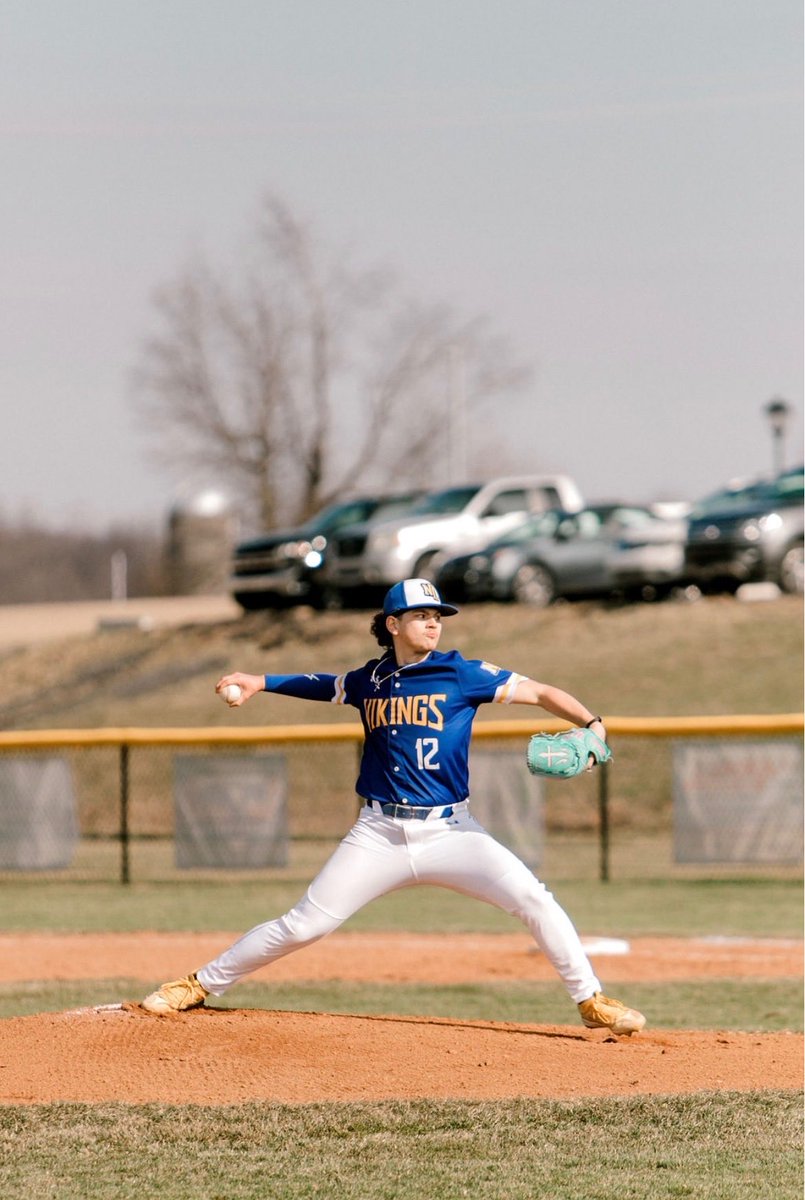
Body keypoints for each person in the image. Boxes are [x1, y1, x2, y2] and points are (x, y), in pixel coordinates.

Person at [143, 577, 645, 1034]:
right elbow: (323, 685)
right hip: (378, 833)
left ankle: (590, 1001)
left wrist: (591, 722)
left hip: (453, 833)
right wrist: (261, 681)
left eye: (437, 616)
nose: (433, 623)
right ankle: (199, 984)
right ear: (393, 624)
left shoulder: (461, 673)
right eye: (422, 615)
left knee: (535, 900)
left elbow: (539, 691)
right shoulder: (371, 680)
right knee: (305, 925)